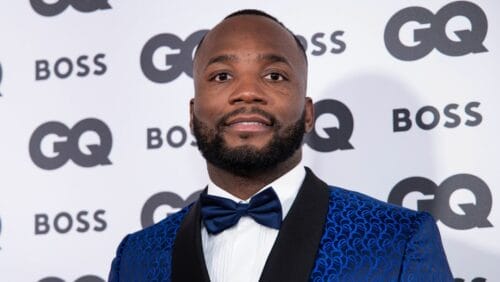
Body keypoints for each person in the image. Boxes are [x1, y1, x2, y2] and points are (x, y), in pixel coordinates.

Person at [108, 9, 453, 282]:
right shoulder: (137, 256)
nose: (247, 92)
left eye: (274, 76)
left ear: (307, 113)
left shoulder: (398, 238)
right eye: (221, 76)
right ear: (193, 111)